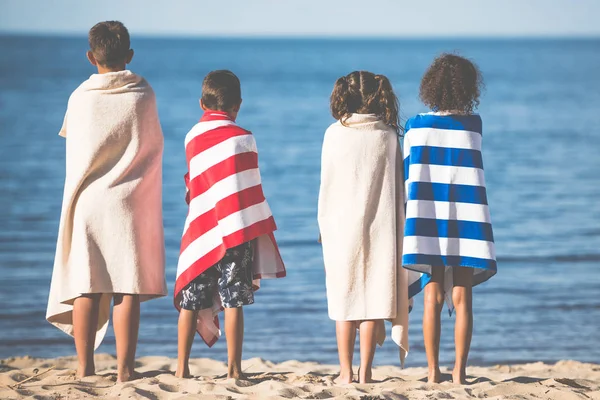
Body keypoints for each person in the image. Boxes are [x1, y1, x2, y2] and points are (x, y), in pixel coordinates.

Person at [46, 21, 167, 382]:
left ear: (90, 56)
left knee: (86, 283)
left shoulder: (80, 97)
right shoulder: (143, 93)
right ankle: (125, 370)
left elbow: (76, 143)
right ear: (129, 55)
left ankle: (85, 368)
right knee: (125, 286)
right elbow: (152, 145)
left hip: (87, 203)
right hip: (127, 201)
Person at [175, 70, 286, 380]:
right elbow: (249, 188)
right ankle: (234, 370)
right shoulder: (244, 138)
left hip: (202, 231)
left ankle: (182, 368)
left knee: (191, 300)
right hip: (236, 229)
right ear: (238, 105)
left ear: (201, 103)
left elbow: (196, 184)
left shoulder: (191, 137)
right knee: (234, 299)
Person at [318, 71, 425, 384]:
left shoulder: (334, 133)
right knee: (371, 302)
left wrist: (323, 228)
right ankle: (365, 372)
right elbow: (397, 190)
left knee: (343, 303)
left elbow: (327, 186)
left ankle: (344, 373)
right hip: (381, 230)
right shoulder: (388, 135)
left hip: (339, 228)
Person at [402, 53, 497, 384]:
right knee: (463, 295)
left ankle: (431, 373)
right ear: (467, 88)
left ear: (431, 87)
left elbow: (407, 174)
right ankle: (459, 373)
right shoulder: (474, 125)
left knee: (432, 293)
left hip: (427, 216)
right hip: (466, 217)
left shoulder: (415, 126)